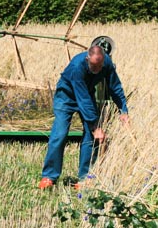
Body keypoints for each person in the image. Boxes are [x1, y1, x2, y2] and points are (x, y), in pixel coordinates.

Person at [38, 45, 130, 190]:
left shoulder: (106, 64)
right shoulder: (77, 66)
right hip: (66, 96)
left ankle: (85, 178)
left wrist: (123, 110)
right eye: (94, 66)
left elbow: (115, 87)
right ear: (88, 58)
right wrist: (95, 126)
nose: (97, 70)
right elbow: (83, 100)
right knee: (60, 134)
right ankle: (49, 176)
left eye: (100, 66)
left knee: (90, 137)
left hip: (86, 94)